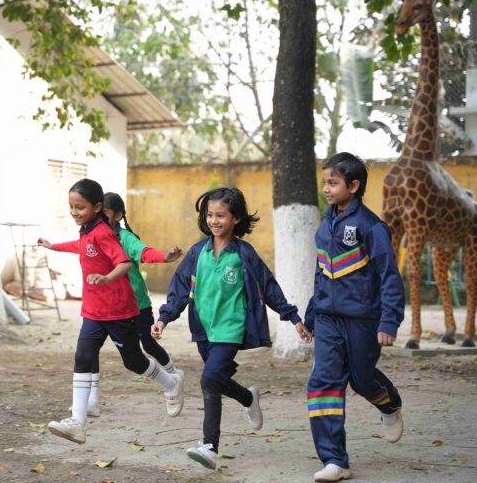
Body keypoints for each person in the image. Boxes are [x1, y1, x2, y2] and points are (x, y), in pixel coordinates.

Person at [152, 187, 310, 470]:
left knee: (209, 379)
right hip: (204, 330)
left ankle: (210, 447)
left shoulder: (243, 254)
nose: (214, 220)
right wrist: (164, 318)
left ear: (235, 219)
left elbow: (269, 286)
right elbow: (178, 289)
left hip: (231, 329)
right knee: (217, 379)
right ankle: (248, 397)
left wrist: (293, 317)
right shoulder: (197, 252)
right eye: (210, 215)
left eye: (221, 215)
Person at [37, 178, 184, 445]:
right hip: (93, 311)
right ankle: (78, 423)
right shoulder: (86, 231)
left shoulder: (106, 233)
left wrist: (106, 279)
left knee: (134, 361)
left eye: (79, 207)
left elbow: (126, 263)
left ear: (97, 207)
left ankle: (170, 383)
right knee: (83, 357)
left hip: (118, 311)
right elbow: (80, 247)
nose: (74, 212)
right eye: (71, 207)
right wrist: (52, 246)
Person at [305, 153, 405, 482]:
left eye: (332, 183)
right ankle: (335, 459)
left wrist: (388, 321)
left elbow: (389, 275)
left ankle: (390, 404)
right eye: (325, 183)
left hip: (363, 320)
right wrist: (311, 315)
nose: (326, 189)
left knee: (362, 380)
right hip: (328, 319)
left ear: (354, 185)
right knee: (324, 383)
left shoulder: (371, 226)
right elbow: (321, 274)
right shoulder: (324, 227)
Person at [73, 191, 183, 417]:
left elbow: (145, 252)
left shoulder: (124, 238)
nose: (100, 217)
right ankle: (91, 401)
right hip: (103, 308)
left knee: (147, 346)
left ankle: (173, 376)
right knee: (88, 351)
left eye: (105, 213)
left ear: (118, 215)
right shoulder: (91, 234)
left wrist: (164, 256)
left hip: (135, 306)